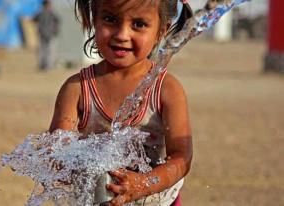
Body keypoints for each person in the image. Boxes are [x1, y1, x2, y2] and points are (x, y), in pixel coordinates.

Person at [49, 0, 193, 205]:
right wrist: (66, 162)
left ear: (162, 30)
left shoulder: (166, 90)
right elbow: (56, 151)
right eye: (110, 19)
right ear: (93, 20)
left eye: (139, 24)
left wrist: (144, 184)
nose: (122, 35)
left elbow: (181, 157)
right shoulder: (77, 89)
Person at [33, 0, 60, 70]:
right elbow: (58, 20)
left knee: (43, 49)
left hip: (44, 33)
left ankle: (44, 65)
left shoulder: (40, 12)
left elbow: (34, 20)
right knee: (47, 50)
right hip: (48, 33)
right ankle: (47, 65)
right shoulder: (52, 12)